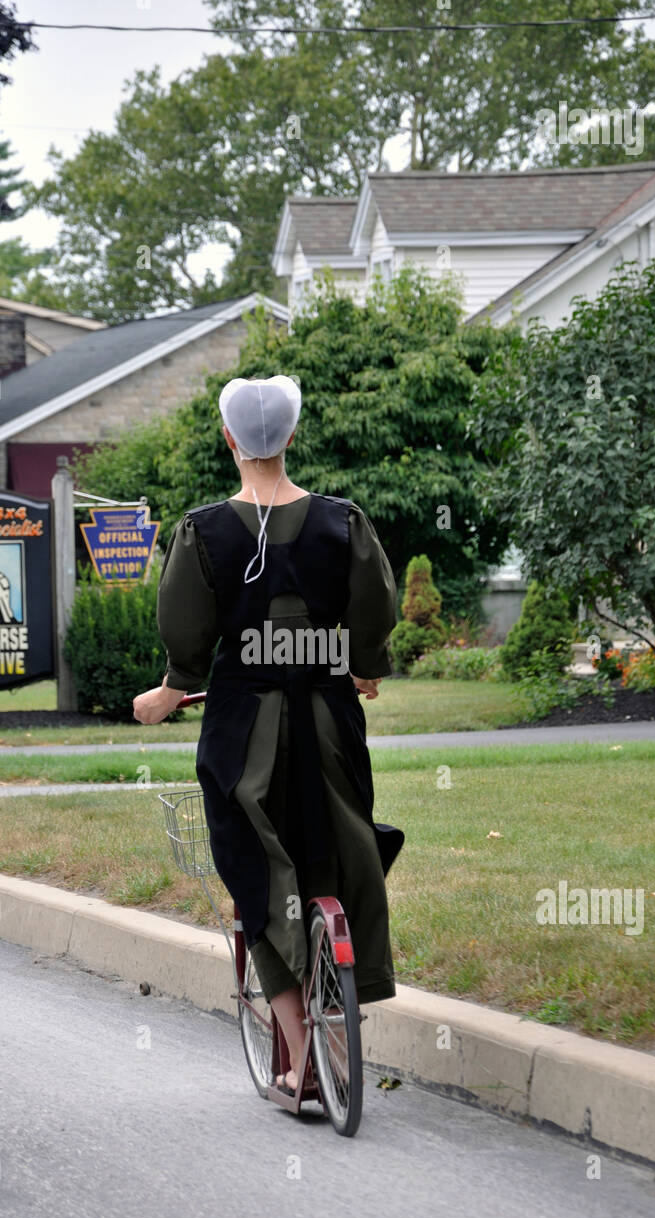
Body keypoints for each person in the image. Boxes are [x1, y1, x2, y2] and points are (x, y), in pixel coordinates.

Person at [133, 375, 404, 1097]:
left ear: (229, 440)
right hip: (328, 716)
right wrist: (364, 667)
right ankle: (341, 1010)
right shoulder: (343, 522)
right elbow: (372, 604)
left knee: (256, 868)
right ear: (290, 437)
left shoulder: (204, 530)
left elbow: (186, 628)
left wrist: (168, 689)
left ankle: (297, 1059)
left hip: (240, 720)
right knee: (335, 844)